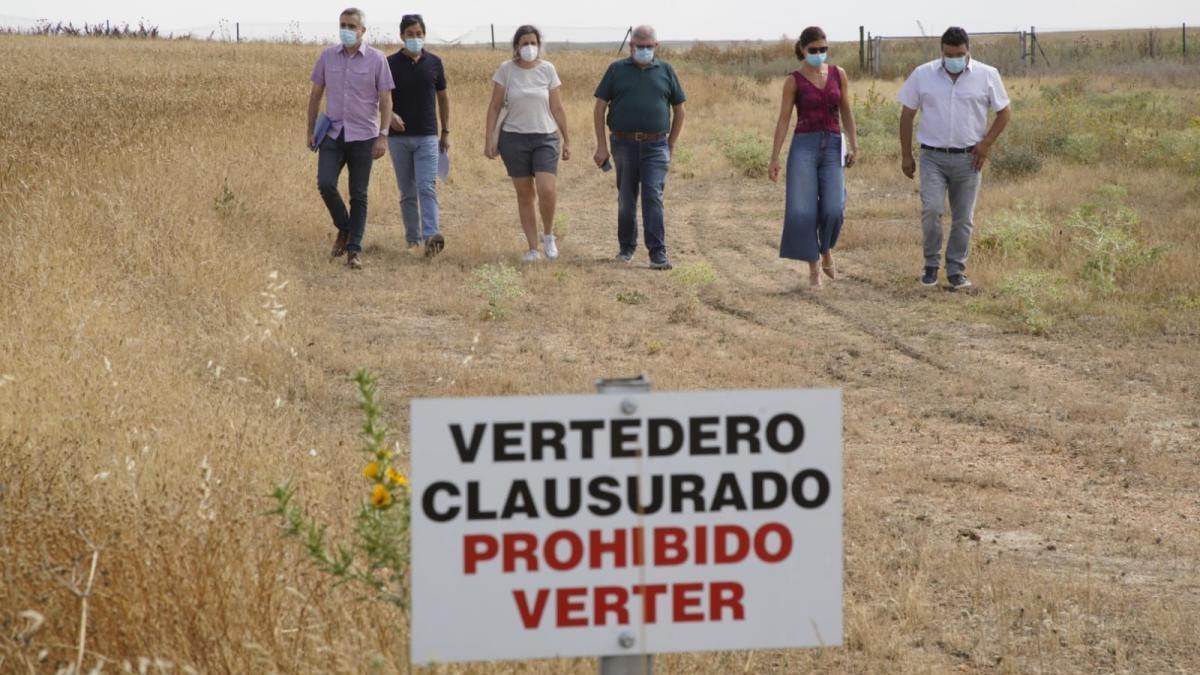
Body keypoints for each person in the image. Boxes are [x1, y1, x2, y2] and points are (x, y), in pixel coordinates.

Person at [897, 26, 1011, 289]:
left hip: (969, 158)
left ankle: (956, 270)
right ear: (942, 52)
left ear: (968, 50)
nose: (954, 59)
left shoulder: (987, 75)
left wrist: (986, 144)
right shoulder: (923, 74)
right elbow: (907, 114)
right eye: (949, 54)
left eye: (959, 54)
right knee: (932, 210)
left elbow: (1004, 113)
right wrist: (906, 155)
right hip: (932, 157)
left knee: (963, 218)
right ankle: (930, 265)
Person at [768, 26, 858, 289]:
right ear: (803, 49)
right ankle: (813, 266)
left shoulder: (838, 74)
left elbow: (847, 111)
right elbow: (784, 120)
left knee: (834, 207)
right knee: (803, 209)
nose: (819, 54)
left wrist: (854, 144)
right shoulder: (793, 80)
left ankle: (826, 247)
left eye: (823, 49)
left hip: (832, 144)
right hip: (804, 147)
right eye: (814, 50)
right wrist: (774, 158)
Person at [592, 25, 686, 270]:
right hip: (623, 144)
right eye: (639, 46)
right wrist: (602, 146)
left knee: (652, 196)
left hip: (656, 145)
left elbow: (679, 109)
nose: (643, 50)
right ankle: (626, 248)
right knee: (626, 198)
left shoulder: (666, 70)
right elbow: (600, 107)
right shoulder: (616, 70)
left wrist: (671, 143)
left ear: (656, 46)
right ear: (631, 46)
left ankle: (657, 253)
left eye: (648, 46)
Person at [307, 7, 394, 270]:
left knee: (359, 193)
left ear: (362, 30)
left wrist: (383, 136)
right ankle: (344, 227)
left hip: (364, 135)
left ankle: (354, 249)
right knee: (325, 183)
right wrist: (310, 130)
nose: (346, 30)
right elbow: (315, 95)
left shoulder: (377, 59)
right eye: (343, 25)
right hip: (333, 133)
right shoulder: (327, 56)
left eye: (351, 26)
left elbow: (386, 100)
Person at [484, 25, 571, 262]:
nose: (529, 47)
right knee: (524, 194)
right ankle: (533, 248)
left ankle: (549, 235)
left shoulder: (548, 70)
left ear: (539, 45)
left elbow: (557, 107)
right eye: (524, 43)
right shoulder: (506, 70)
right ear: (516, 46)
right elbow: (494, 106)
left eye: (533, 43)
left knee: (546, 189)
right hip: (514, 138)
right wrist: (489, 138)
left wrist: (567, 139)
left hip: (546, 136)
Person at [387, 14, 450, 258]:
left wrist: (445, 131)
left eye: (419, 34)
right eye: (410, 34)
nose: (415, 38)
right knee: (407, 192)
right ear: (402, 36)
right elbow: (378, 98)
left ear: (425, 35)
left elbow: (443, 98)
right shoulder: (389, 63)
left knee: (427, 186)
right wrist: (390, 115)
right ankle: (412, 239)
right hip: (397, 138)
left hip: (427, 136)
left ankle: (431, 237)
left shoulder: (434, 62)